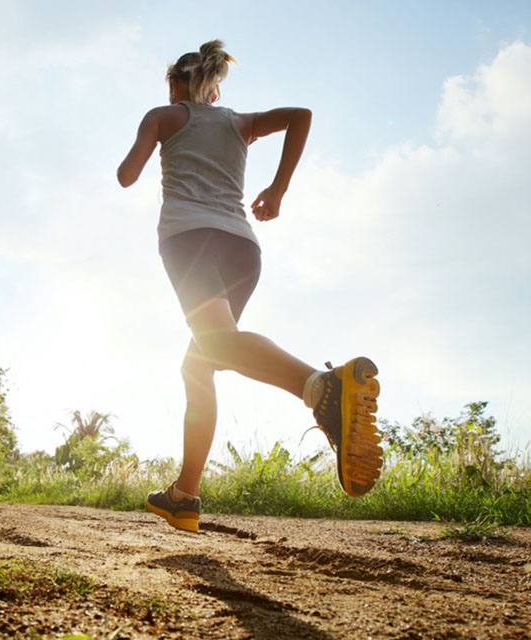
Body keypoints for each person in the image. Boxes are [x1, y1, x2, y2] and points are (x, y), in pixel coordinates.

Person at [117, 39, 382, 533]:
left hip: (189, 238)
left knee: (216, 344)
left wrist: (149, 137)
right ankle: (184, 495)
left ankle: (322, 388)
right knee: (200, 361)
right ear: (215, 92)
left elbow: (126, 176)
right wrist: (277, 189)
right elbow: (300, 115)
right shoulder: (239, 122)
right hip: (242, 246)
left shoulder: (163, 115)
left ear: (177, 87)